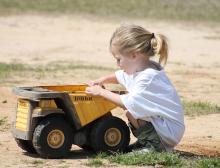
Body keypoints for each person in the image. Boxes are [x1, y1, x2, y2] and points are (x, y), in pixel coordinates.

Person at [85, 24, 185, 152]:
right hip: (165, 127)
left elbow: (127, 102)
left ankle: (154, 147)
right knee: (131, 113)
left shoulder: (147, 78)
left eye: (118, 59)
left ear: (134, 55)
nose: (118, 64)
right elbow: (119, 76)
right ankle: (146, 143)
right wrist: (101, 80)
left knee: (131, 110)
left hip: (168, 130)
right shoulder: (143, 69)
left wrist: (101, 92)